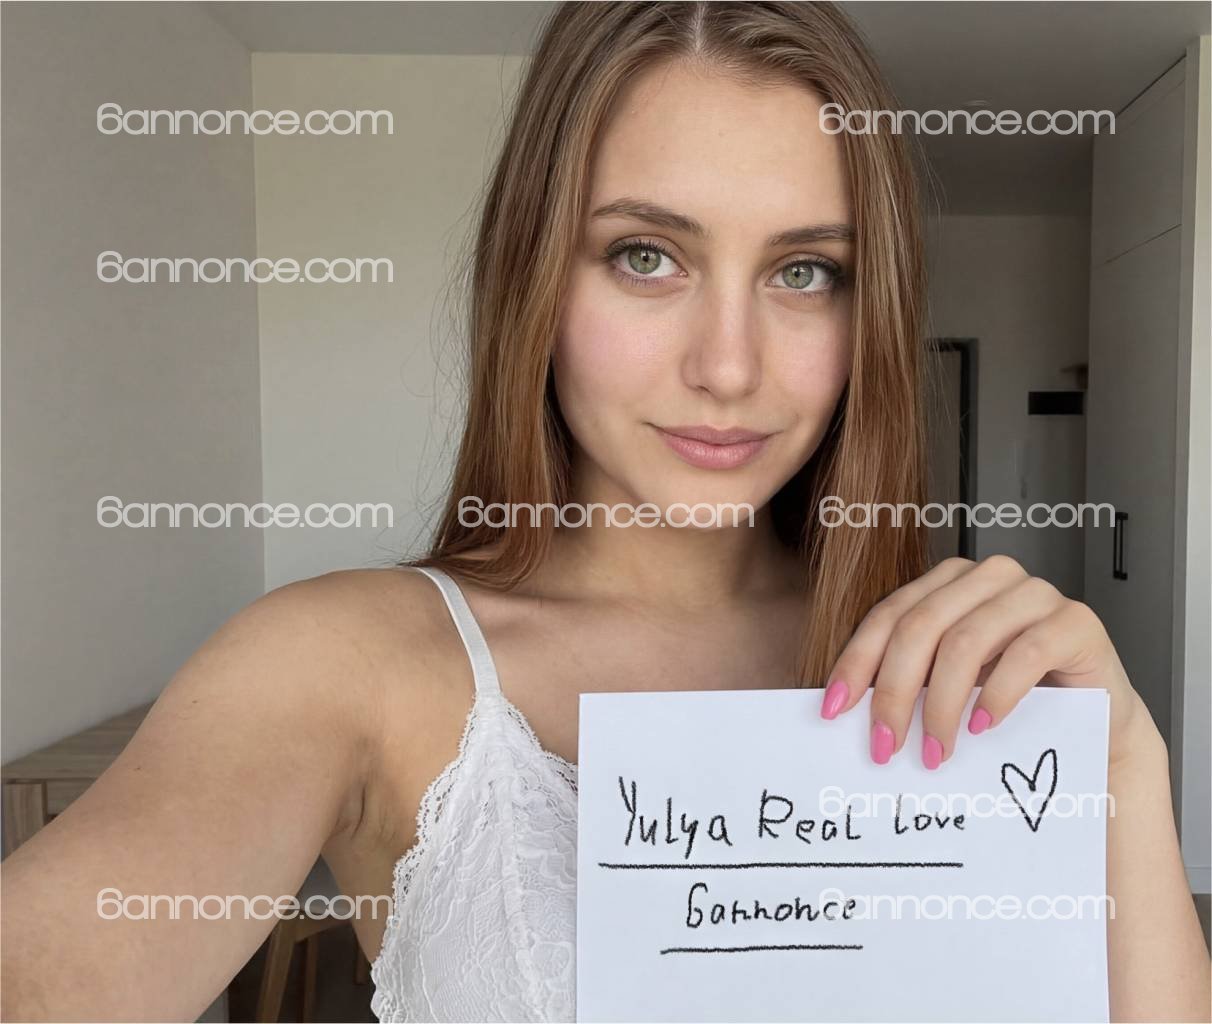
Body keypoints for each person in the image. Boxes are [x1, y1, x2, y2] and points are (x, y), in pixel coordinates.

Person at [4, 2, 1209, 1021]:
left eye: (804, 272)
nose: (728, 366)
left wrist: (1123, 764)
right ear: (533, 270)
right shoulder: (350, 664)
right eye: (646, 255)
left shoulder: (962, 678)